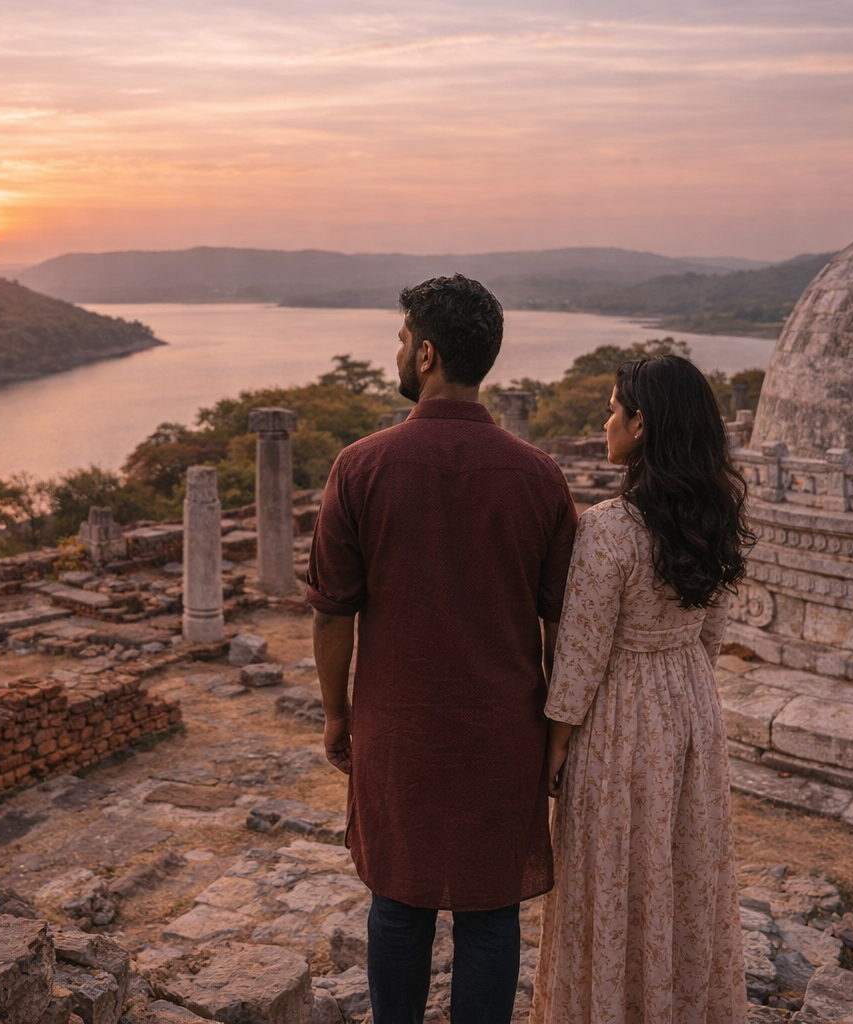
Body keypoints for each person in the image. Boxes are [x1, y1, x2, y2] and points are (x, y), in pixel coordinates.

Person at [305, 274, 578, 1024]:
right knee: (491, 915)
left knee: (399, 903)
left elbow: (333, 615)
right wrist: (557, 735)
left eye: (400, 341)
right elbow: (565, 627)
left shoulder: (359, 467)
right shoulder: (540, 478)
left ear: (425, 354)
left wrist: (336, 714)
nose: (396, 353)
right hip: (505, 733)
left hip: (399, 727)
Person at [531, 354, 753, 1024]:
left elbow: (580, 655)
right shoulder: (716, 516)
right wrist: (679, 677)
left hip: (620, 716)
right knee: (682, 869)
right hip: (688, 704)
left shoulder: (610, 527)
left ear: (641, 423)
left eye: (611, 407)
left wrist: (556, 743)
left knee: (611, 874)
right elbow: (710, 631)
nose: (605, 421)